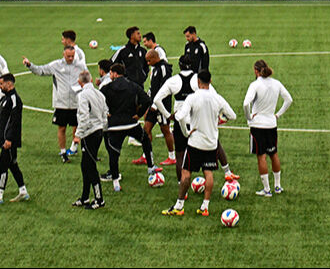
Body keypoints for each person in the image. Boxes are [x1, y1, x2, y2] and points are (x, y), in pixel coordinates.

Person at [161, 70, 236, 217]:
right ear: (211, 81)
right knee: (208, 172)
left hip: (195, 142)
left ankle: (179, 205)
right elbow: (232, 115)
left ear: (197, 82)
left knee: (186, 172)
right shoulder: (217, 98)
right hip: (211, 143)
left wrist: (185, 132)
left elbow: (180, 116)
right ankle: (204, 207)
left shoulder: (192, 98)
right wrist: (220, 119)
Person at [101, 63, 158, 193]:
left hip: (115, 126)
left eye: (111, 73)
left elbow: (99, 100)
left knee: (114, 153)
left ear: (115, 74)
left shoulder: (107, 88)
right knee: (145, 140)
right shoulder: (133, 86)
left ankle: (115, 182)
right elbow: (147, 100)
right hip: (131, 124)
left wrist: (106, 113)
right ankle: (151, 167)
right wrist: (138, 114)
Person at [23, 45, 83, 163]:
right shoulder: (56, 65)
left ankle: (78, 148)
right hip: (61, 103)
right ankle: (63, 152)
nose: (70, 58)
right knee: (62, 128)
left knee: (78, 126)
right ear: (63, 54)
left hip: (76, 102)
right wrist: (29, 65)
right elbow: (41, 70)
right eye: (68, 56)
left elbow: (86, 78)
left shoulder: (80, 66)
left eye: (72, 56)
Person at [243, 60, 293, 197]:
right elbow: (289, 99)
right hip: (271, 124)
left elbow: (246, 104)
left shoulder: (255, 85)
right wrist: (278, 114)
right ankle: (277, 186)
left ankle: (266, 189)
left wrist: (249, 118)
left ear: (256, 71)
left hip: (258, 125)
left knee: (261, 156)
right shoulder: (276, 83)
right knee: (273, 153)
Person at [0, 74, 29, 206]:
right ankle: (23, 191)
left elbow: (15, 121)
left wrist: (9, 139)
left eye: (1, 84)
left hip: (9, 141)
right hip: (5, 139)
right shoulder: (5, 99)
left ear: (9, 84)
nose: (0, 86)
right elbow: (3, 120)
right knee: (12, 164)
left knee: (3, 165)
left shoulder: (14, 99)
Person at [72, 70, 109, 209]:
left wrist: (78, 135)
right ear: (91, 80)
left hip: (89, 133)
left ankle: (99, 199)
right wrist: (103, 128)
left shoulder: (82, 95)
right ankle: (85, 197)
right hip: (99, 130)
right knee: (85, 164)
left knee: (90, 166)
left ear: (79, 82)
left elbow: (83, 117)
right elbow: (105, 113)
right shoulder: (99, 94)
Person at [139, 47, 176, 167]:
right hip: (153, 105)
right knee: (146, 129)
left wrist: (156, 104)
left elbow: (165, 87)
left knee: (165, 130)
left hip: (162, 105)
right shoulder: (154, 68)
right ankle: (146, 156)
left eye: (149, 61)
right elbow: (153, 87)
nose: (148, 64)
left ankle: (172, 156)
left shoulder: (164, 68)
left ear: (155, 58)